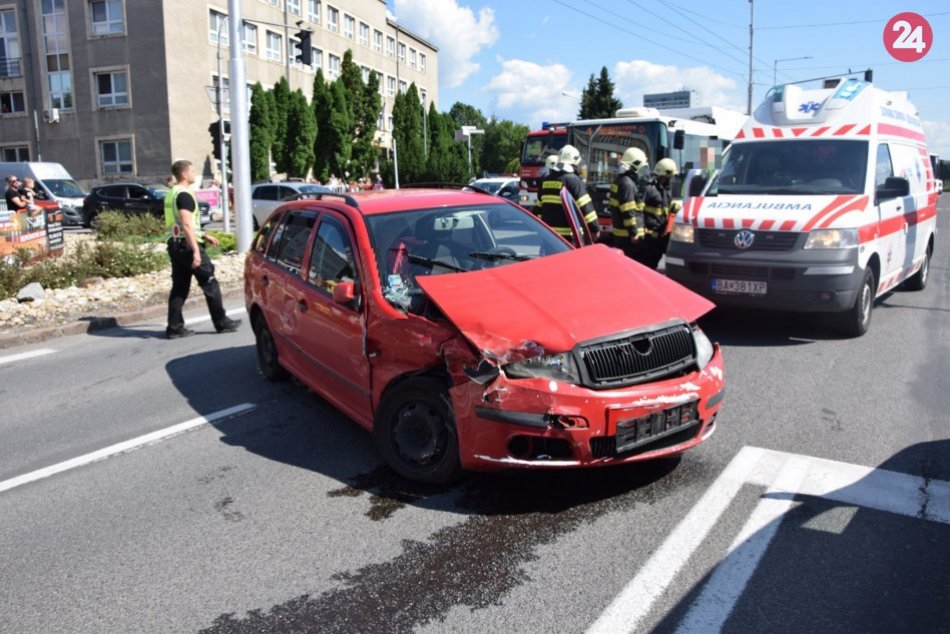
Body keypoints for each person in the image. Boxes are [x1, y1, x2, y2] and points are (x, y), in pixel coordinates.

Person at [164, 159, 241, 339]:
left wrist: (204, 235)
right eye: (191, 170)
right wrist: (196, 252)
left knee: (180, 287)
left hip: (175, 244)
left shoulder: (172, 193)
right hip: (187, 246)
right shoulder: (184, 195)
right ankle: (222, 323)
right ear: (184, 174)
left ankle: (174, 327)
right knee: (210, 282)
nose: (194, 173)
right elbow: (186, 224)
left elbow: (182, 224)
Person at [534, 144, 600, 245]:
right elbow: (586, 206)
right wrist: (595, 228)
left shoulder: (545, 181)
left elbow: (538, 209)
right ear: (573, 162)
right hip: (569, 239)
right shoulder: (573, 180)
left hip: (548, 236)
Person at [638, 157, 682, 269]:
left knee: (654, 265)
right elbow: (638, 210)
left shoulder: (664, 191)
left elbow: (667, 206)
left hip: (659, 237)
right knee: (646, 267)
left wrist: (682, 210)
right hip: (648, 238)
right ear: (663, 177)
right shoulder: (649, 190)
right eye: (669, 178)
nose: (670, 180)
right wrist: (639, 229)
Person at [608, 147, 649, 258]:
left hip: (621, 234)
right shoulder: (628, 184)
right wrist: (634, 233)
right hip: (628, 238)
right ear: (635, 165)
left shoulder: (620, 180)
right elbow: (628, 211)